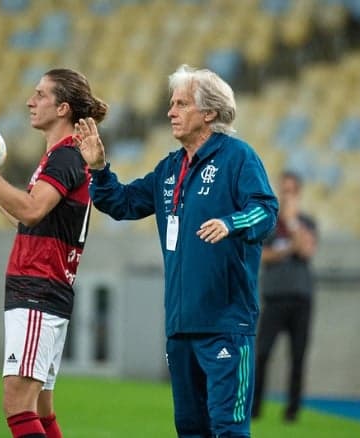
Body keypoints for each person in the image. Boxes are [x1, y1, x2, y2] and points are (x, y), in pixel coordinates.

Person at [76, 65, 278, 437]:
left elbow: (266, 211)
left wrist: (230, 223)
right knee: (189, 429)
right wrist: (99, 169)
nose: (170, 111)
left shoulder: (238, 157)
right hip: (181, 326)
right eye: (172, 104)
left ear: (209, 112)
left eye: (181, 104)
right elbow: (122, 203)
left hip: (226, 326)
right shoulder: (169, 168)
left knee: (229, 429)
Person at [0, 68, 107, 438]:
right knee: (40, 407)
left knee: (17, 402)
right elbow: (27, 216)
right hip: (41, 290)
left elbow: (32, 210)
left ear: (62, 107)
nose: (30, 102)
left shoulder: (65, 158)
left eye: (40, 94)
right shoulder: (58, 157)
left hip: (39, 290)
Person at [251, 171, 318, 422]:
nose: (286, 195)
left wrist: (292, 226)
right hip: (275, 297)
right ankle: (255, 408)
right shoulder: (269, 223)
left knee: (298, 356)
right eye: (284, 190)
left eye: (291, 191)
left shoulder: (307, 223)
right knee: (263, 353)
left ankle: (292, 411)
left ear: (298, 193)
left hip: (301, 298)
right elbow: (263, 255)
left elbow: (307, 251)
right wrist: (289, 247)